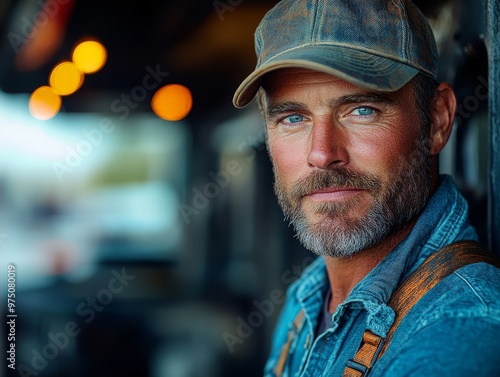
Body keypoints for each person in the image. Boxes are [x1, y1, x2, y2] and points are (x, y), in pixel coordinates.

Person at [232, 0, 500, 376]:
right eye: (293, 118)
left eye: (361, 110)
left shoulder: (457, 335)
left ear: (437, 120)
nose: (322, 153)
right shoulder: (308, 297)